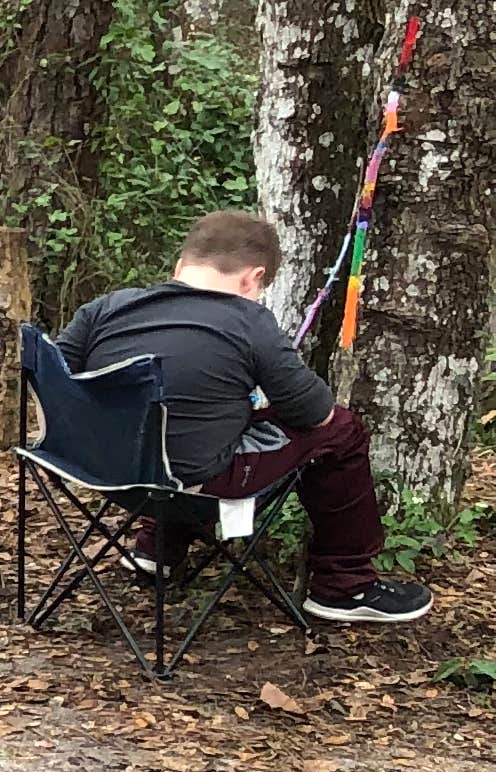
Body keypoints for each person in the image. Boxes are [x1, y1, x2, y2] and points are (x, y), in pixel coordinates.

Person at [53, 209, 433, 624]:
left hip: (100, 471)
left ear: (180, 268)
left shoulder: (105, 309)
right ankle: (345, 586)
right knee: (343, 430)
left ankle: (157, 549)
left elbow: (57, 380)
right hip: (194, 485)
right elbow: (315, 413)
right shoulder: (249, 321)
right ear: (254, 278)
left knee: (186, 421)